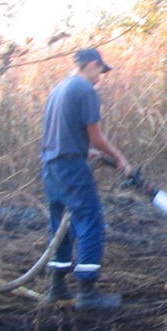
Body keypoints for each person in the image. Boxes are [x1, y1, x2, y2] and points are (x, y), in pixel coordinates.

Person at [41, 47, 132, 308]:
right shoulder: (85, 91)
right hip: (71, 168)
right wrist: (120, 159)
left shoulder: (59, 89)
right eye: (101, 71)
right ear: (92, 65)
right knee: (91, 221)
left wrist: (86, 151)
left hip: (51, 166)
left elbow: (62, 132)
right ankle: (87, 292)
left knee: (61, 225)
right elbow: (97, 136)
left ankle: (57, 287)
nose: (101, 77)